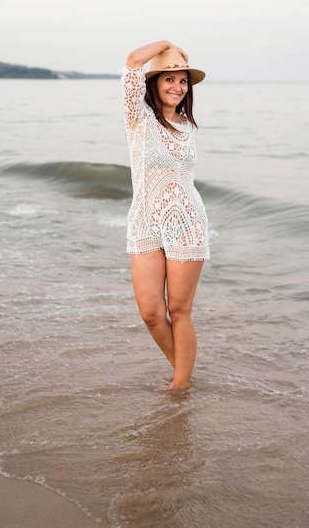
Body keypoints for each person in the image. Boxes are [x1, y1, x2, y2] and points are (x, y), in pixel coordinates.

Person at [121, 40, 209, 391]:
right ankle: (184, 376)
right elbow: (130, 64)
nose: (177, 87)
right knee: (151, 313)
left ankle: (180, 386)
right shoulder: (138, 118)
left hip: (187, 223)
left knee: (179, 310)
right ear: (154, 83)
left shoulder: (187, 125)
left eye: (183, 81)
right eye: (169, 79)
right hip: (144, 221)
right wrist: (166, 43)